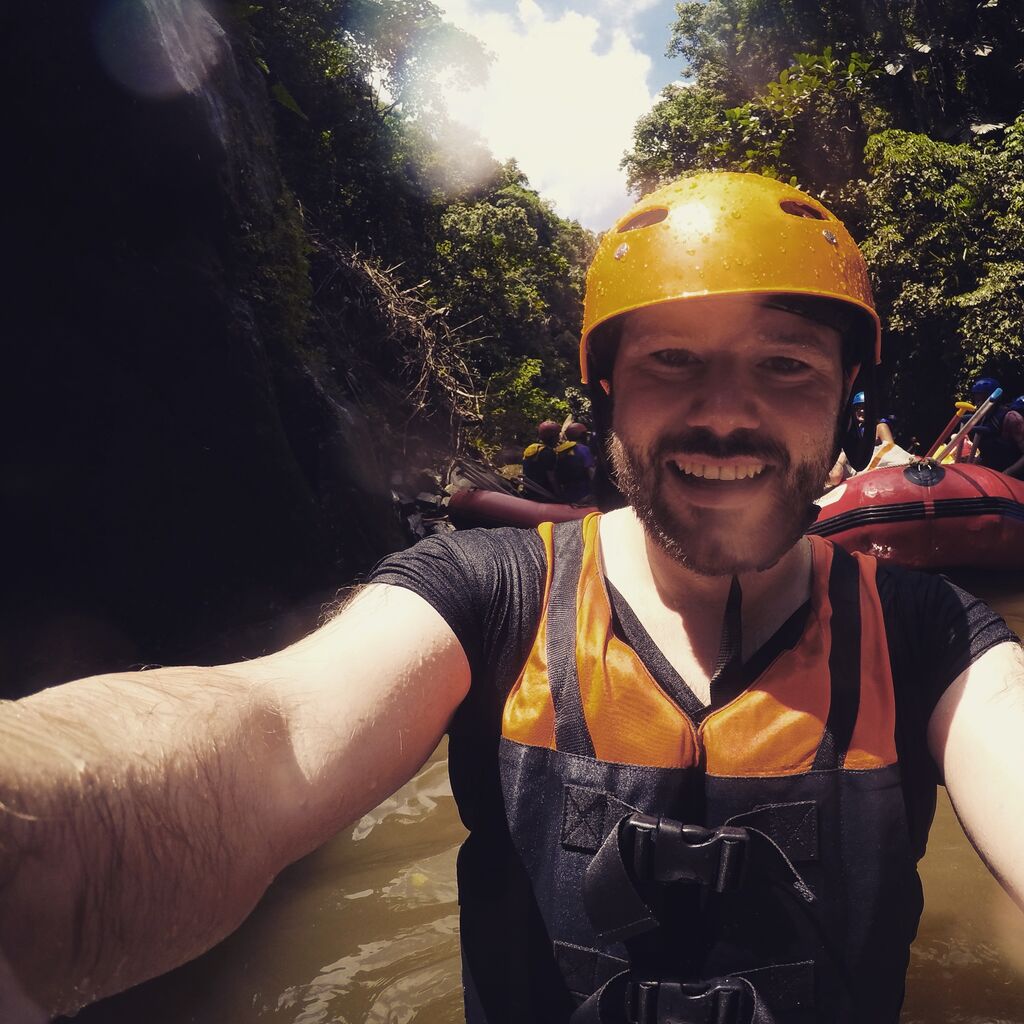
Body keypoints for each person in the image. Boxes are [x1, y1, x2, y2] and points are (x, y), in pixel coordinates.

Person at [3, 172, 1024, 1024]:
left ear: (847, 401)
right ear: (606, 393)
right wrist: (33, 827)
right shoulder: (486, 596)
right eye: (672, 361)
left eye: (785, 366)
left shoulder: (932, 637)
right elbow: (267, 731)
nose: (727, 414)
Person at [967, 378, 1024, 478]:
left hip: (1014, 479)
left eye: (982, 398)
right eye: (977, 399)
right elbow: (988, 453)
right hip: (994, 476)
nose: (979, 403)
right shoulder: (983, 418)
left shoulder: (1011, 419)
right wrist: (972, 467)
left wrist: (1007, 473)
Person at [522, 419, 562, 499]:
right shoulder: (548, 453)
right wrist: (559, 495)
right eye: (557, 435)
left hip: (529, 489)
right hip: (543, 493)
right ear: (553, 438)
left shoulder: (533, 448)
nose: (559, 438)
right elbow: (552, 478)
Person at [556, 422, 595, 503]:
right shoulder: (583, 449)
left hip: (567, 496)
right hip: (585, 495)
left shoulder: (561, 452)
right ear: (581, 435)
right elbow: (591, 472)